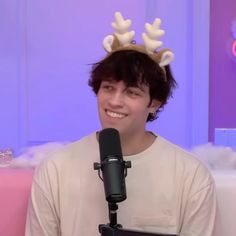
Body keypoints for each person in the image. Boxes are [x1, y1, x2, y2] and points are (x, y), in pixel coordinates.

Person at [25, 12, 221, 236]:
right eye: (108, 87)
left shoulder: (191, 175)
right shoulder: (55, 169)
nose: (115, 101)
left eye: (132, 92)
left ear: (154, 104)